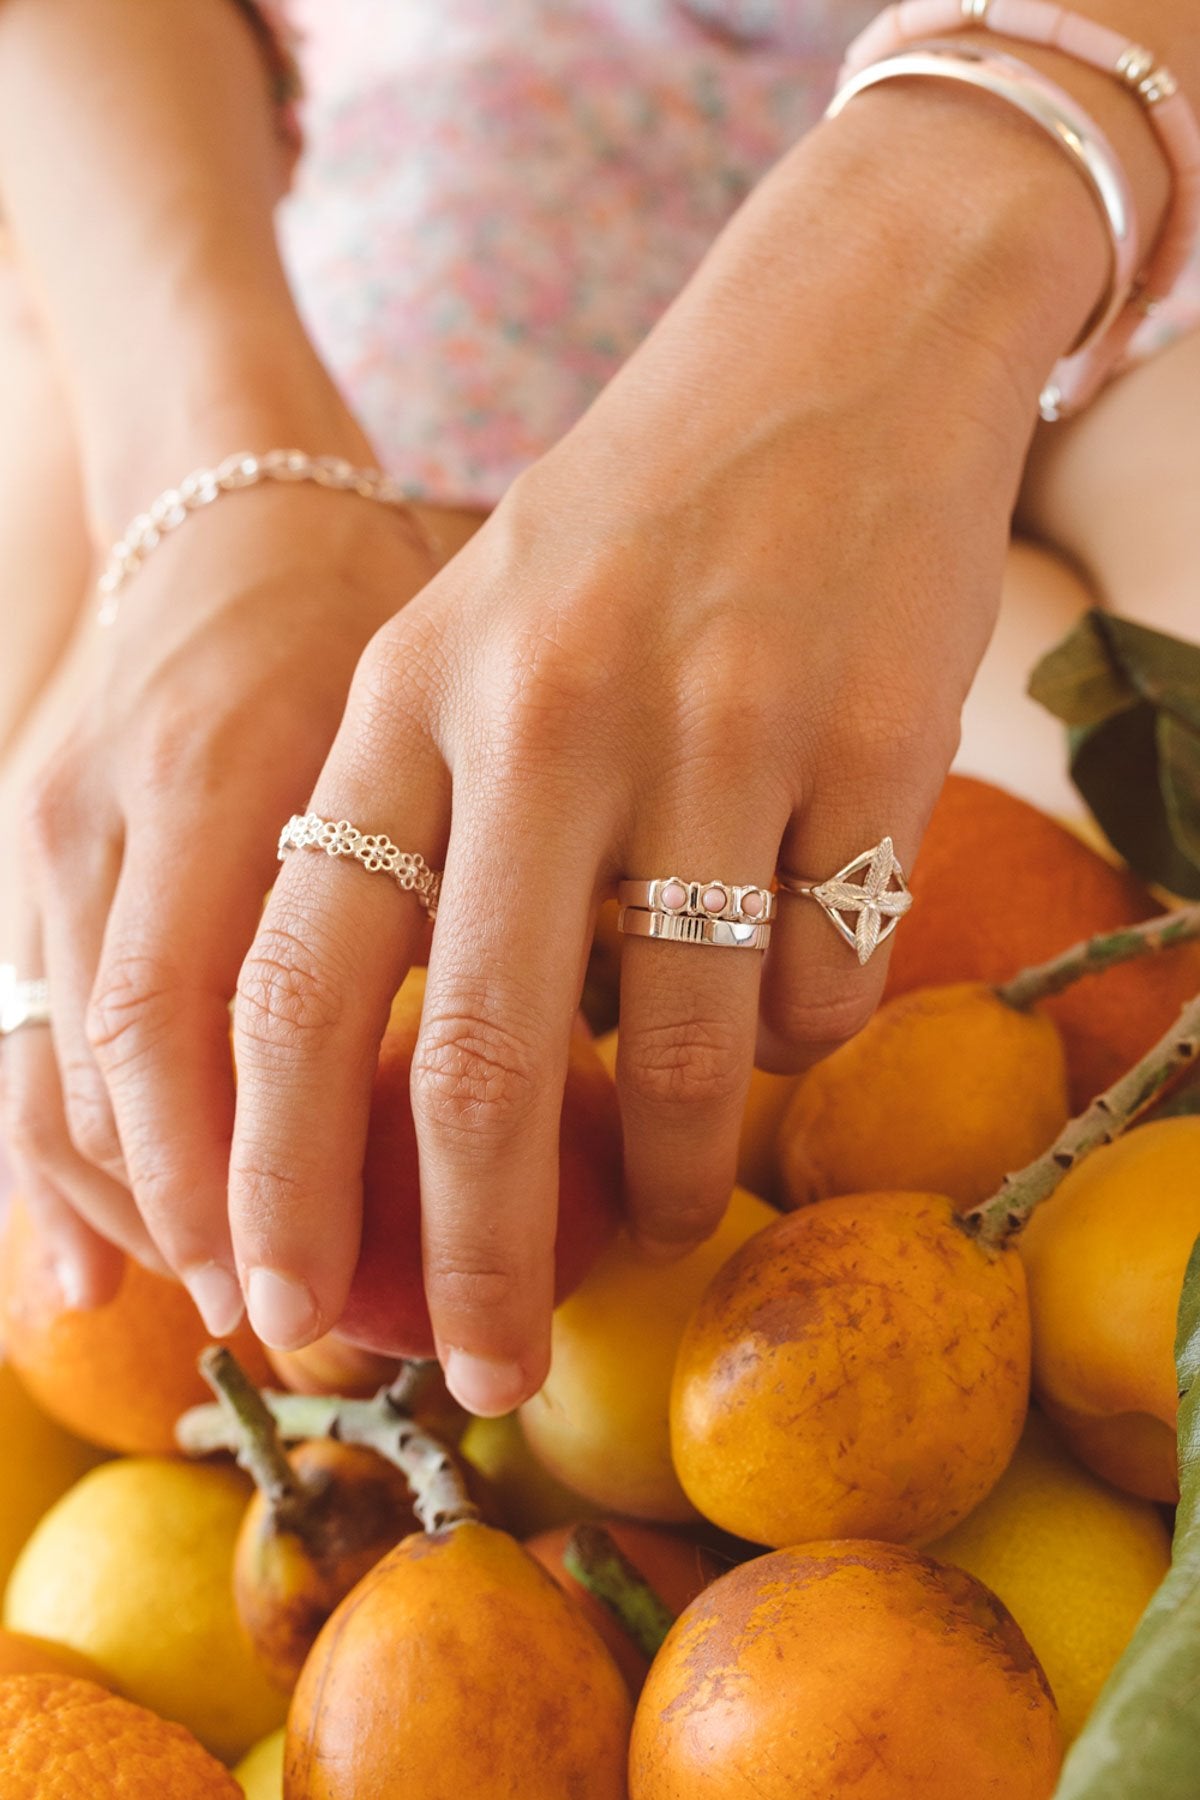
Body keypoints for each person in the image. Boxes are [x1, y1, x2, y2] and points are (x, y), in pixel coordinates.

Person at [0, 0, 1195, 1419]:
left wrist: (959, 200)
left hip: (1132, 159)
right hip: (409, 172)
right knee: (108, 949)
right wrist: (210, 473)